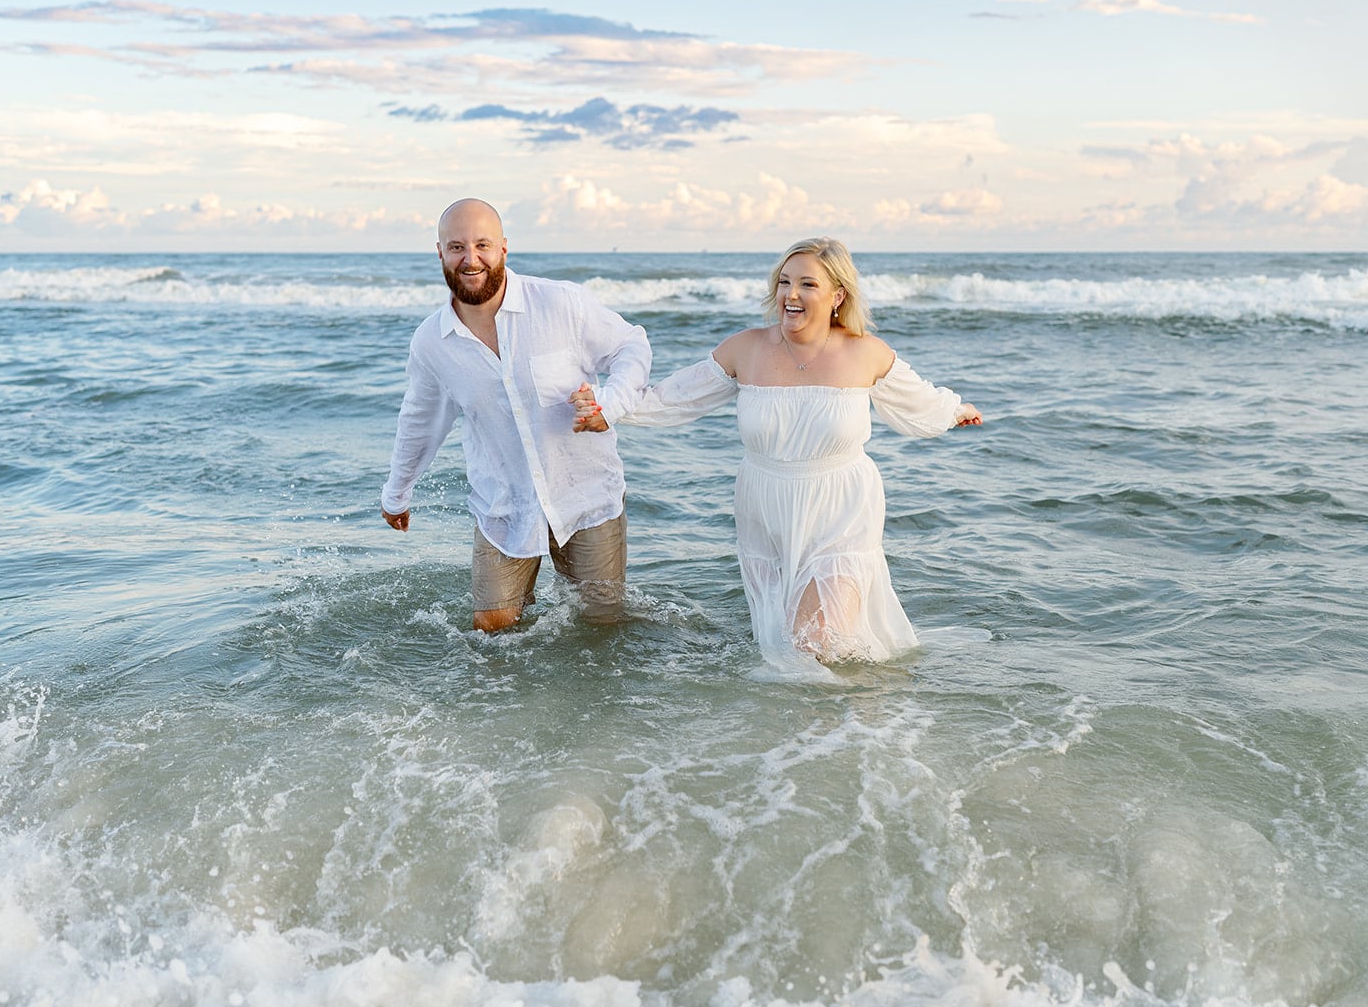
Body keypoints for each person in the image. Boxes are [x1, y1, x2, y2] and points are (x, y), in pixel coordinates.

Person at [574, 237, 981, 669]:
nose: (791, 294)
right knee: (784, 640)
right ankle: (814, 723)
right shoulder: (745, 349)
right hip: (765, 508)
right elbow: (671, 398)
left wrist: (954, 411)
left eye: (808, 284)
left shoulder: (867, 353)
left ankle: (853, 730)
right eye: (785, 282)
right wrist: (605, 409)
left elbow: (917, 402)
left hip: (842, 507)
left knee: (816, 642)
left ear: (837, 295)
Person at [381, 198, 652, 632]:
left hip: (584, 497)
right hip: (503, 506)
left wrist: (610, 404)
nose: (471, 259)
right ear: (439, 253)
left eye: (482, 245)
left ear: (504, 248)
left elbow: (631, 346)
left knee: (600, 627)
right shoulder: (432, 342)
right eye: (456, 247)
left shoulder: (561, 303)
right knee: (492, 631)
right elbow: (419, 419)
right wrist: (397, 493)